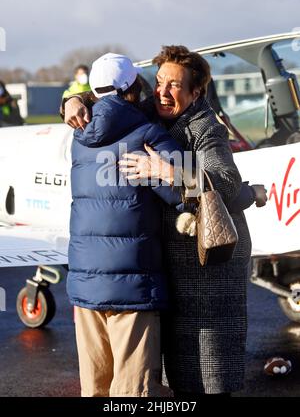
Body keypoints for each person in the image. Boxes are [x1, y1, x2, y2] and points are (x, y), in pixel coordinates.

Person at [61, 46, 267, 396]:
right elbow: (108, 100)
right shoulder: (148, 112)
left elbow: (228, 185)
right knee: (169, 375)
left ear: (195, 92)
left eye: (174, 85)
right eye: (159, 82)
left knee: (205, 377)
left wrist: (172, 171)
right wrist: (71, 102)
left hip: (204, 269)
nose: (163, 91)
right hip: (165, 268)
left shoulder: (206, 128)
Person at [68, 52, 188, 398]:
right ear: (134, 86)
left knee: (95, 388)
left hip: (86, 284)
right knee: (134, 392)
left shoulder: (78, 136)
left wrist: (73, 100)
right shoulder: (147, 132)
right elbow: (185, 192)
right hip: (133, 283)